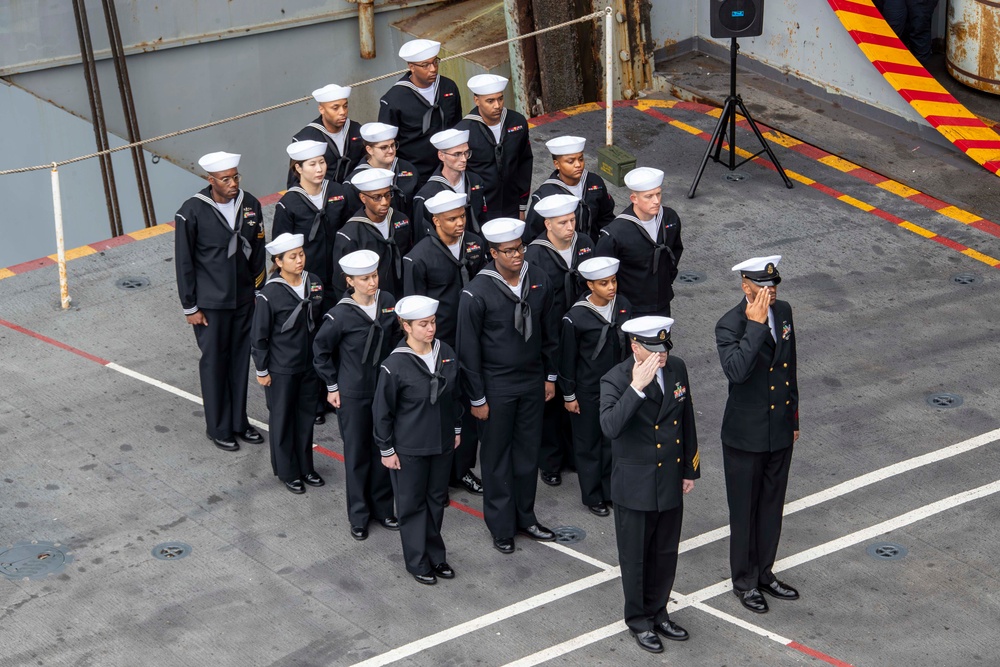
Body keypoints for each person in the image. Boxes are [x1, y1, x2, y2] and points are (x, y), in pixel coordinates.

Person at [456, 217, 559, 554]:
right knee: (497, 457)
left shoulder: (538, 279)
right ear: (492, 253)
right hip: (496, 385)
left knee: (527, 453)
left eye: (520, 249)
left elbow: (549, 333)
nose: (517, 256)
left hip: (531, 380)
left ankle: (525, 517)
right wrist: (477, 397)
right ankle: (501, 526)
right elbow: (468, 350)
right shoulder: (476, 292)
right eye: (509, 251)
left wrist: (550, 377)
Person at [600, 316, 699, 654]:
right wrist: (636, 389)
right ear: (635, 346)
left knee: (665, 553)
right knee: (636, 557)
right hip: (635, 485)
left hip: (669, 479)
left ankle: (659, 611)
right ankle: (639, 620)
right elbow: (610, 427)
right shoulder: (615, 380)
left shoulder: (677, 369)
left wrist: (690, 468)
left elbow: (686, 420)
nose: (662, 356)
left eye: (664, 348)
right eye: (653, 350)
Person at [716, 255, 800, 614]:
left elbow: (789, 365)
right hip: (745, 434)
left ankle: (765, 572)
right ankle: (745, 581)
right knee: (745, 511)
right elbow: (736, 372)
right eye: (763, 287)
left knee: (771, 506)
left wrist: (793, 417)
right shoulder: (730, 324)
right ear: (745, 287)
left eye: (774, 285)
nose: (771, 292)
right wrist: (754, 326)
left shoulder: (784, 312)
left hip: (778, 428)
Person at [175, 151, 266, 452]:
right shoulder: (191, 212)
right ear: (210, 180)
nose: (233, 184)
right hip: (210, 305)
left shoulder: (250, 204)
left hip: (243, 298)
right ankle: (218, 427)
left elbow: (258, 248)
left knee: (240, 362)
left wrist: (258, 292)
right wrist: (190, 307)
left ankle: (239, 422)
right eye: (225, 179)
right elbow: (184, 263)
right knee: (215, 364)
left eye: (235, 177)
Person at [403, 190, 487, 496]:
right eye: (451, 219)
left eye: (462, 216)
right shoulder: (419, 257)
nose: (459, 223)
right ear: (435, 221)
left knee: (468, 406)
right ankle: (437, 478)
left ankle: (461, 469)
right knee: (438, 410)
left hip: (473, 338)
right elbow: (413, 310)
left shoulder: (476, 244)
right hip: (439, 343)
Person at [375, 295, 462, 585]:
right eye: (423, 324)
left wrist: (457, 430)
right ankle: (417, 561)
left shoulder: (445, 351)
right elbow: (382, 411)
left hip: (441, 442)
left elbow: (454, 396)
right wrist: (386, 449)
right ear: (406, 326)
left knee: (436, 501)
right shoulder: (394, 365)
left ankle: (436, 556)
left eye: (433, 322)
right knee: (412, 505)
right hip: (410, 447)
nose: (430, 329)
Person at [313, 250, 400, 540]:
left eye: (374, 276)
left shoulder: (388, 303)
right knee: (357, 453)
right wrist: (332, 386)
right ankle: (359, 515)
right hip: (354, 392)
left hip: (383, 388)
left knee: (383, 448)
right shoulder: (339, 315)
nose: (372, 282)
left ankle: (383, 509)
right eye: (364, 279)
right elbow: (321, 351)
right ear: (349, 281)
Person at [525, 193, 594, 488]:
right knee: (551, 401)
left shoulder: (586, 244)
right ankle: (550, 461)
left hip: (580, 331)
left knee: (576, 395)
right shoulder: (534, 256)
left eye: (572, 220)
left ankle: (574, 454)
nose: (570, 227)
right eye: (563, 222)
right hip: (550, 336)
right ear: (547, 225)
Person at [251, 233, 326, 494]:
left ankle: (306, 466)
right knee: (283, 419)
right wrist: (262, 370)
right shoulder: (269, 294)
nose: (299, 260)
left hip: (308, 365)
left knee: (305, 417)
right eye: (292, 257)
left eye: (301, 254)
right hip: (281, 368)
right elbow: (259, 336)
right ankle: (287, 471)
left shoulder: (314, 283)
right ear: (279, 261)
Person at [558, 256, 632, 516]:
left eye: (613, 281)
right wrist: (569, 394)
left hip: (617, 386)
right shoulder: (575, 318)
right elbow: (567, 359)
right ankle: (592, 496)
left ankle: (609, 490)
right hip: (588, 389)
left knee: (611, 441)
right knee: (588, 442)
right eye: (604, 283)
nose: (611, 287)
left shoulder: (622, 305)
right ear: (590, 286)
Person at [273, 140, 351, 316]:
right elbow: (281, 247)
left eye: (322, 162)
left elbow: (349, 231)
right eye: (312, 164)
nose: (319, 169)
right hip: (307, 277)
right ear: (298, 168)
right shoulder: (288, 204)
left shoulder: (337, 191)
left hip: (339, 273)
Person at [595, 167, 683, 318]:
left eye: (658, 194)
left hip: (662, 301)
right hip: (630, 306)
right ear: (634, 199)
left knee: (662, 341)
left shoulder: (670, 218)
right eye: (648, 196)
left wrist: (666, 280)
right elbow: (602, 273)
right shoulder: (615, 233)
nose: (656, 201)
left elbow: (675, 250)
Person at [378, 39, 462, 191]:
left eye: (435, 62)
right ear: (412, 67)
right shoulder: (394, 99)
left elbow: (456, 125)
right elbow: (387, 144)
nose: (433, 69)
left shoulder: (448, 87)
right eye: (425, 65)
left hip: (449, 169)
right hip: (416, 174)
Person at [457, 74, 533, 220]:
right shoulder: (464, 131)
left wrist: (522, 205)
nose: (497, 105)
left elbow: (525, 162)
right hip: (480, 208)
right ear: (476, 100)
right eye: (490, 101)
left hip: (512, 205)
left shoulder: (517, 122)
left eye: (500, 98)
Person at [332, 168, 414, 298]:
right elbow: (341, 283)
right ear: (363, 198)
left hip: (402, 295)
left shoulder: (401, 220)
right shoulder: (349, 235)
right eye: (377, 198)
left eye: (388, 195)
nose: (385, 202)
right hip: (371, 301)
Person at [525, 136, 616, 244]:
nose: (578, 165)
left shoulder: (595, 182)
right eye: (570, 161)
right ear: (556, 164)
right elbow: (531, 237)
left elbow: (606, 218)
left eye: (581, 159)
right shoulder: (544, 196)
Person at [411, 128, 488, 241]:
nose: (463, 159)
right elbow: (421, 236)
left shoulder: (476, 181)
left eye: (466, 153)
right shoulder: (427, 195)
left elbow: (482, 218)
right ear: (441, 155)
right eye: (457, 154)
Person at [287, 84, 365, 187]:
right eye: (335, 108)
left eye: (345, 106)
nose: (342, 112)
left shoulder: (357, 130)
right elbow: (295, 182)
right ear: (321, 109)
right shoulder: (304, 139)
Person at [343, 122, 420, 221]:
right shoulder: (356, 181)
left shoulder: (408, 169)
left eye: (393, 145)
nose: (391, 150)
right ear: (369, 150)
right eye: (384, 147)